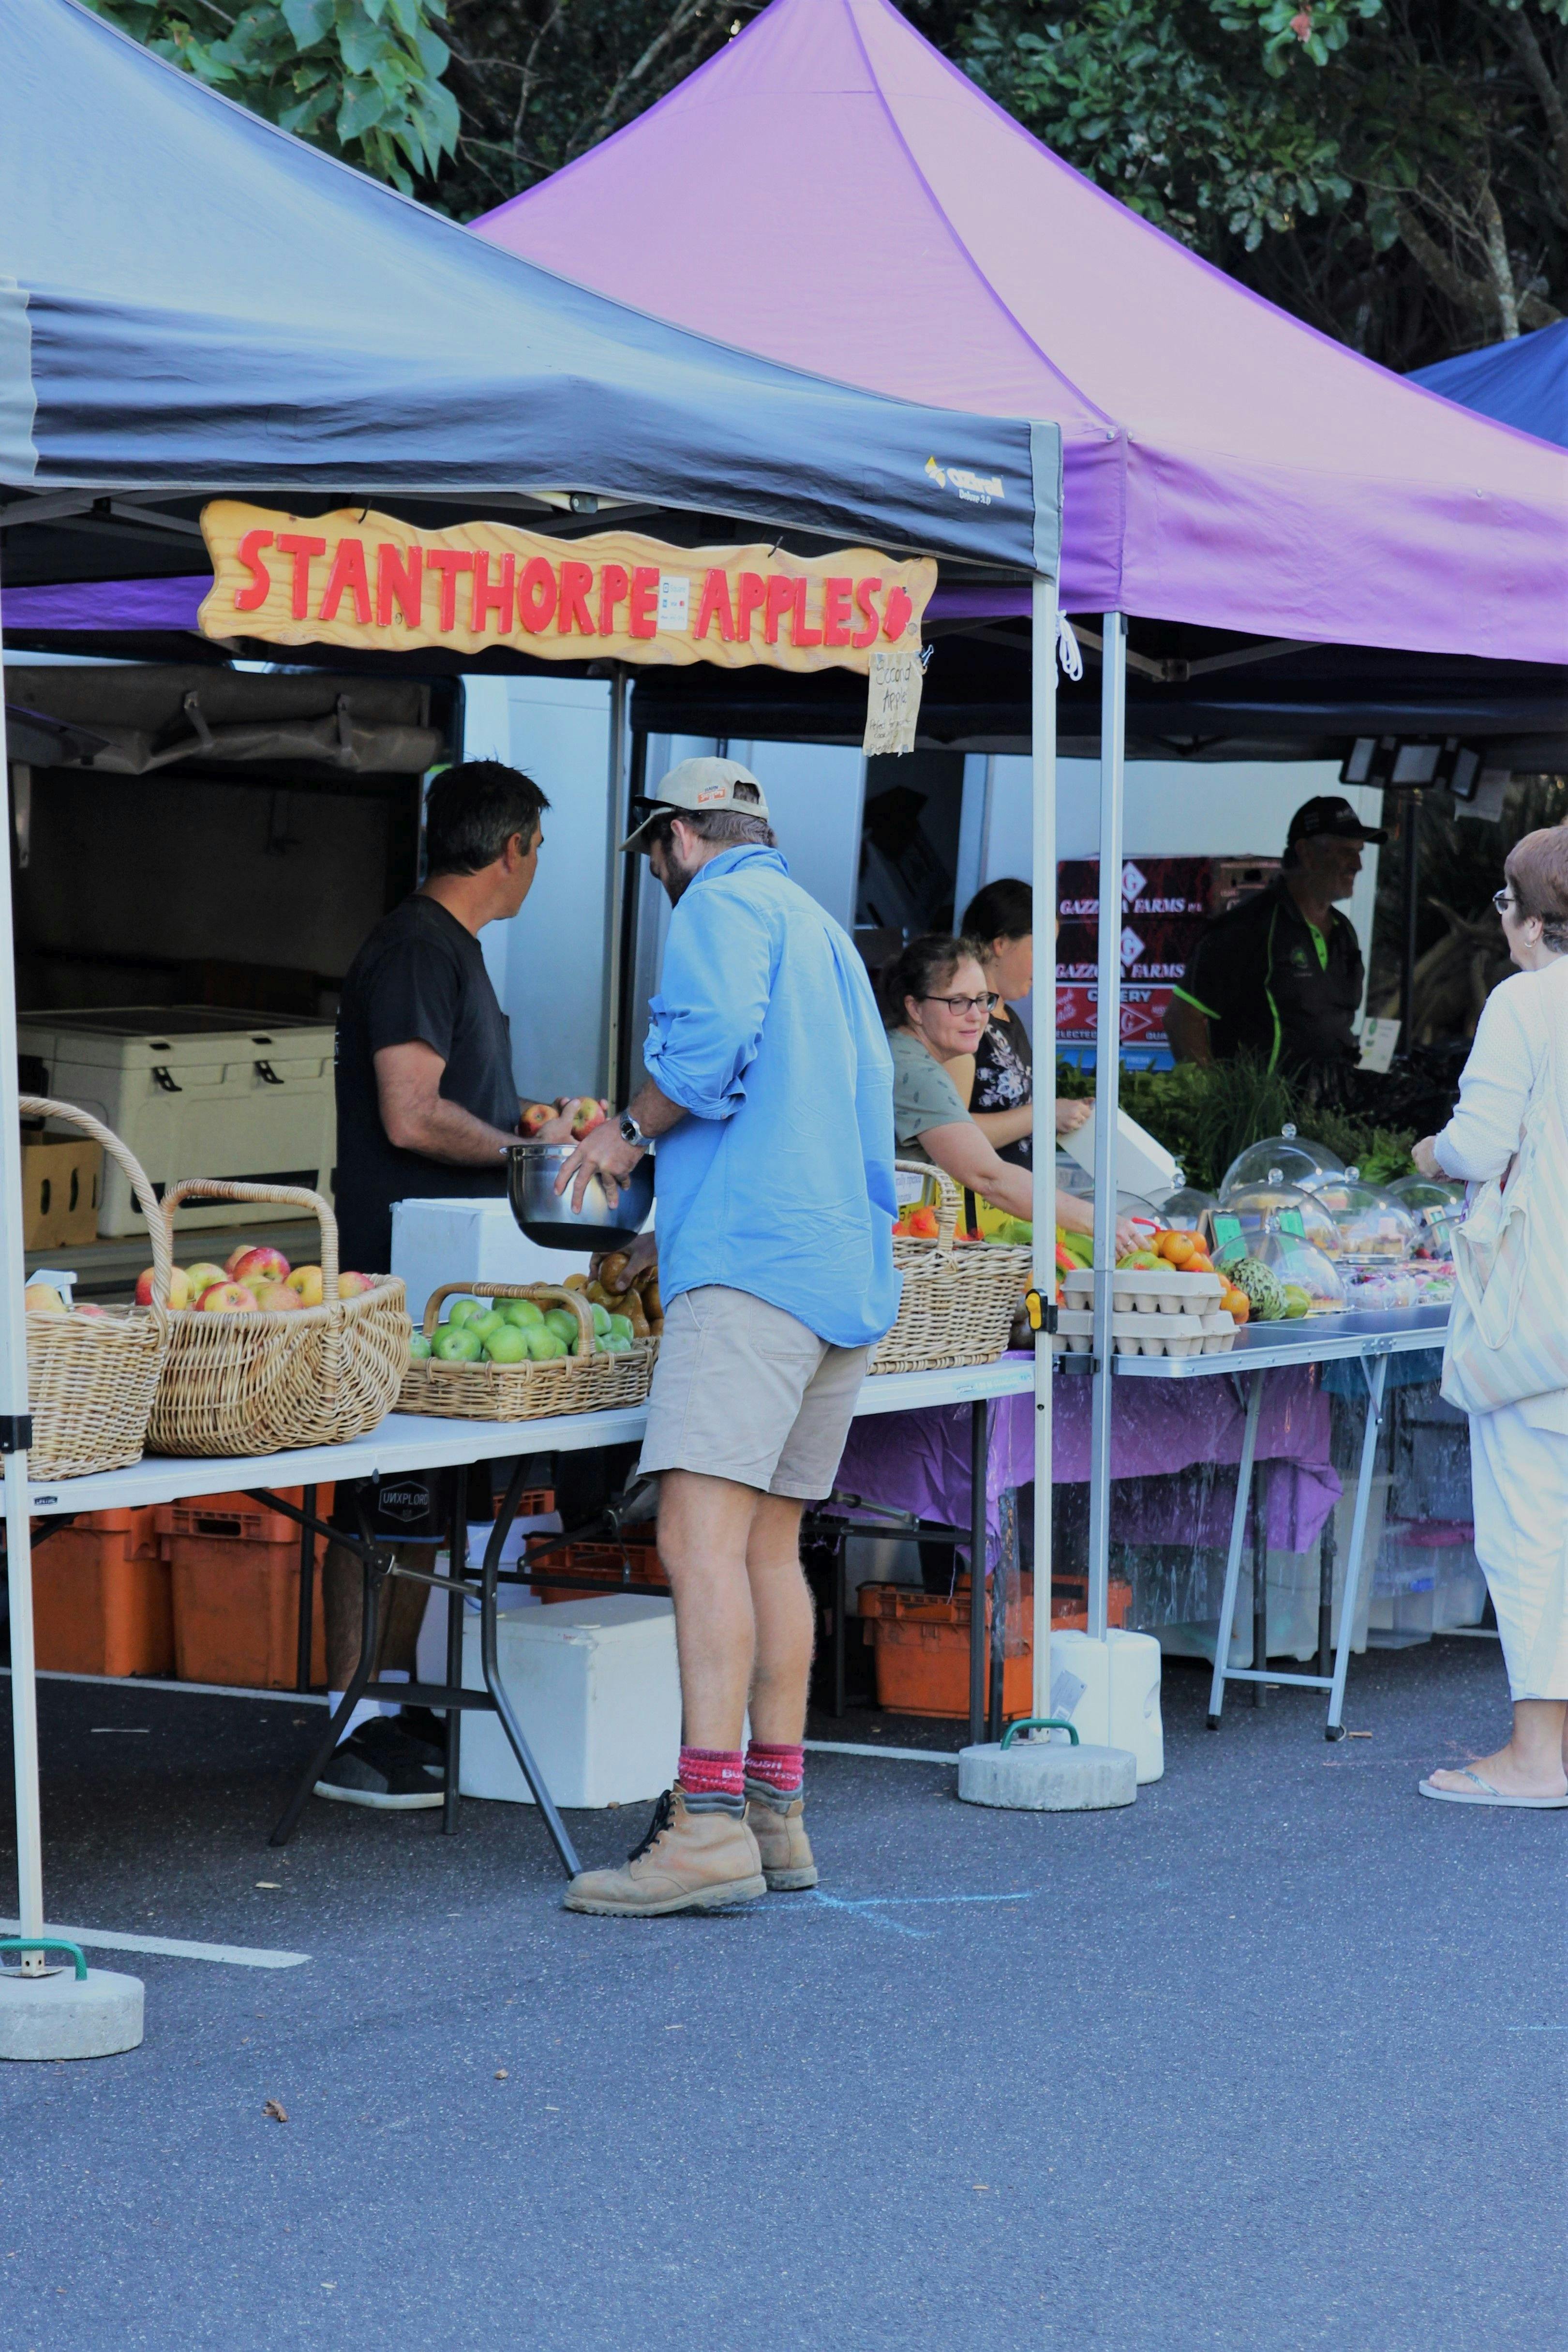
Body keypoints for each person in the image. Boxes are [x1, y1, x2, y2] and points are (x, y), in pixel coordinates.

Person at [553, 758, 899, 1916]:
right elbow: (817, 1111)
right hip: (837, 1270)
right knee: (768, 1548)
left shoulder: (718, 905)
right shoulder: (821, 928)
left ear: (682, 836)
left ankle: (703, 1829)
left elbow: (705, 1058)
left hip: (753, 1274)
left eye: (656, 854)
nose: (658, 875)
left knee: (697, 1543)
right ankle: (772, 1816)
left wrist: (623, 1133)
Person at [316, 759, 559, 1810]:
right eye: (539, 848)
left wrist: (525, 1121)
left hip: (441, 1282)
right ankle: (352, 1722)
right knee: (385, 1501)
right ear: (512, 849)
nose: (537, 866)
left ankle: (392, 1702)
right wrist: (526, 1153)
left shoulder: (445, 947)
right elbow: (411, 1113)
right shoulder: (419, 945)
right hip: (401, 1279)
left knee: (418, 1504)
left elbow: (446, 1102)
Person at [1414, 827, 1568, 1807]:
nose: (1503, 922)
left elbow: (1478, 1143)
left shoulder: (1526, 1002)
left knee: (1531, 1528)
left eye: (1507, 905)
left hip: (1543, 1310)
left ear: (1536, 922)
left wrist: (1430, 1153)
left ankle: (1535, 1758)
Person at [884, 933, 1137, 1255]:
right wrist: (1098, 1221)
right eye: (958, 1002)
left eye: (982, 999)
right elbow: (990, 1178)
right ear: (915, 1008)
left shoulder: (902, 1051)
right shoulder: (917, 1071)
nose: (977, 1015)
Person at [1165, 795, 1386, 1087]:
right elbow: (1182, 1017)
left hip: (1332, 1105)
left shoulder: (1344, 932)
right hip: (1265, 1112)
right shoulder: (1248, 926)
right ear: (1306, 853)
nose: (1357, 865)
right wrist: (1214, 1096)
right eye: (1346, 852)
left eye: (1359, 852)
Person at [950, 878, 1091, 1168]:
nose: (1048, 965)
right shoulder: (964, 1018)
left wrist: (1065, 1115)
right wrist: (1046, 1115)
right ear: (1001, 944)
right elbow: (952, 1132)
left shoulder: (1008, 1017)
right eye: (1040, 949)